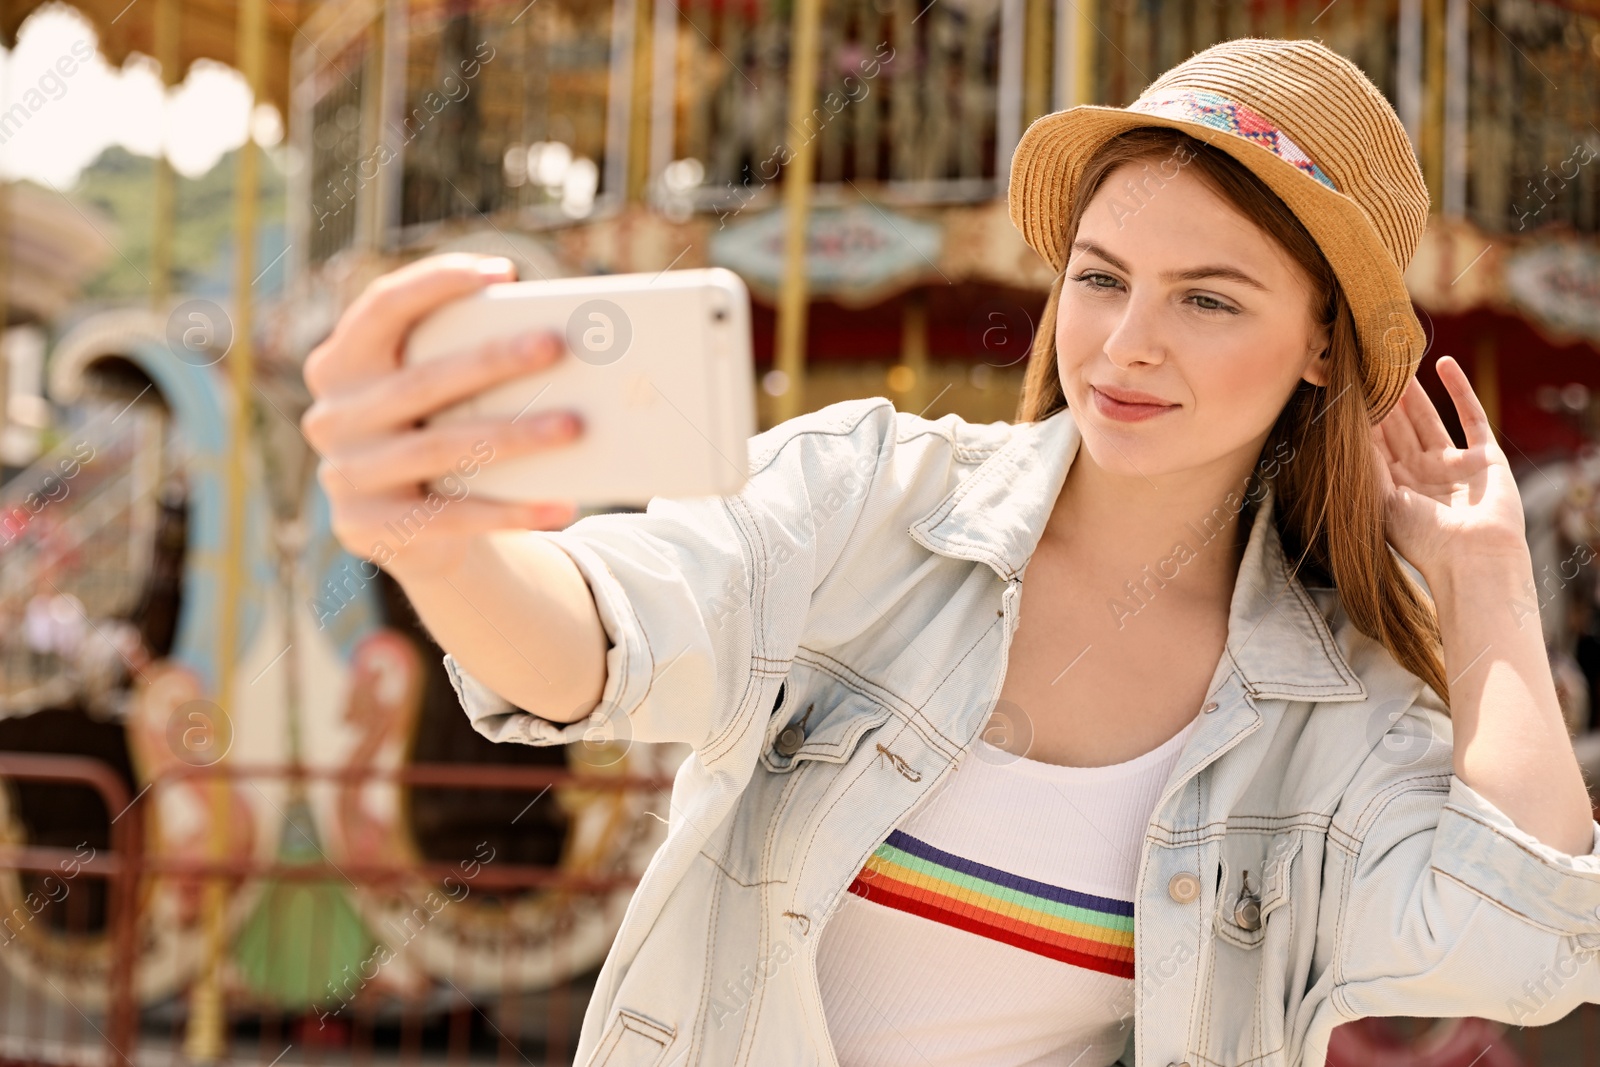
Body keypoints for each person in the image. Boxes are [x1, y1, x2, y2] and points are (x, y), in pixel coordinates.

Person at [301, 37, 1600, 1067]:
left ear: (1321, 346)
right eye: (1100, 278)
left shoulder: (1332, 713)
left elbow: (1524, 948)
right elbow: (603, 635)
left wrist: (1485, 581)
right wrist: (435, 545)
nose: (1127, 343)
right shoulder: (870, 497)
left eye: (1208, 297)